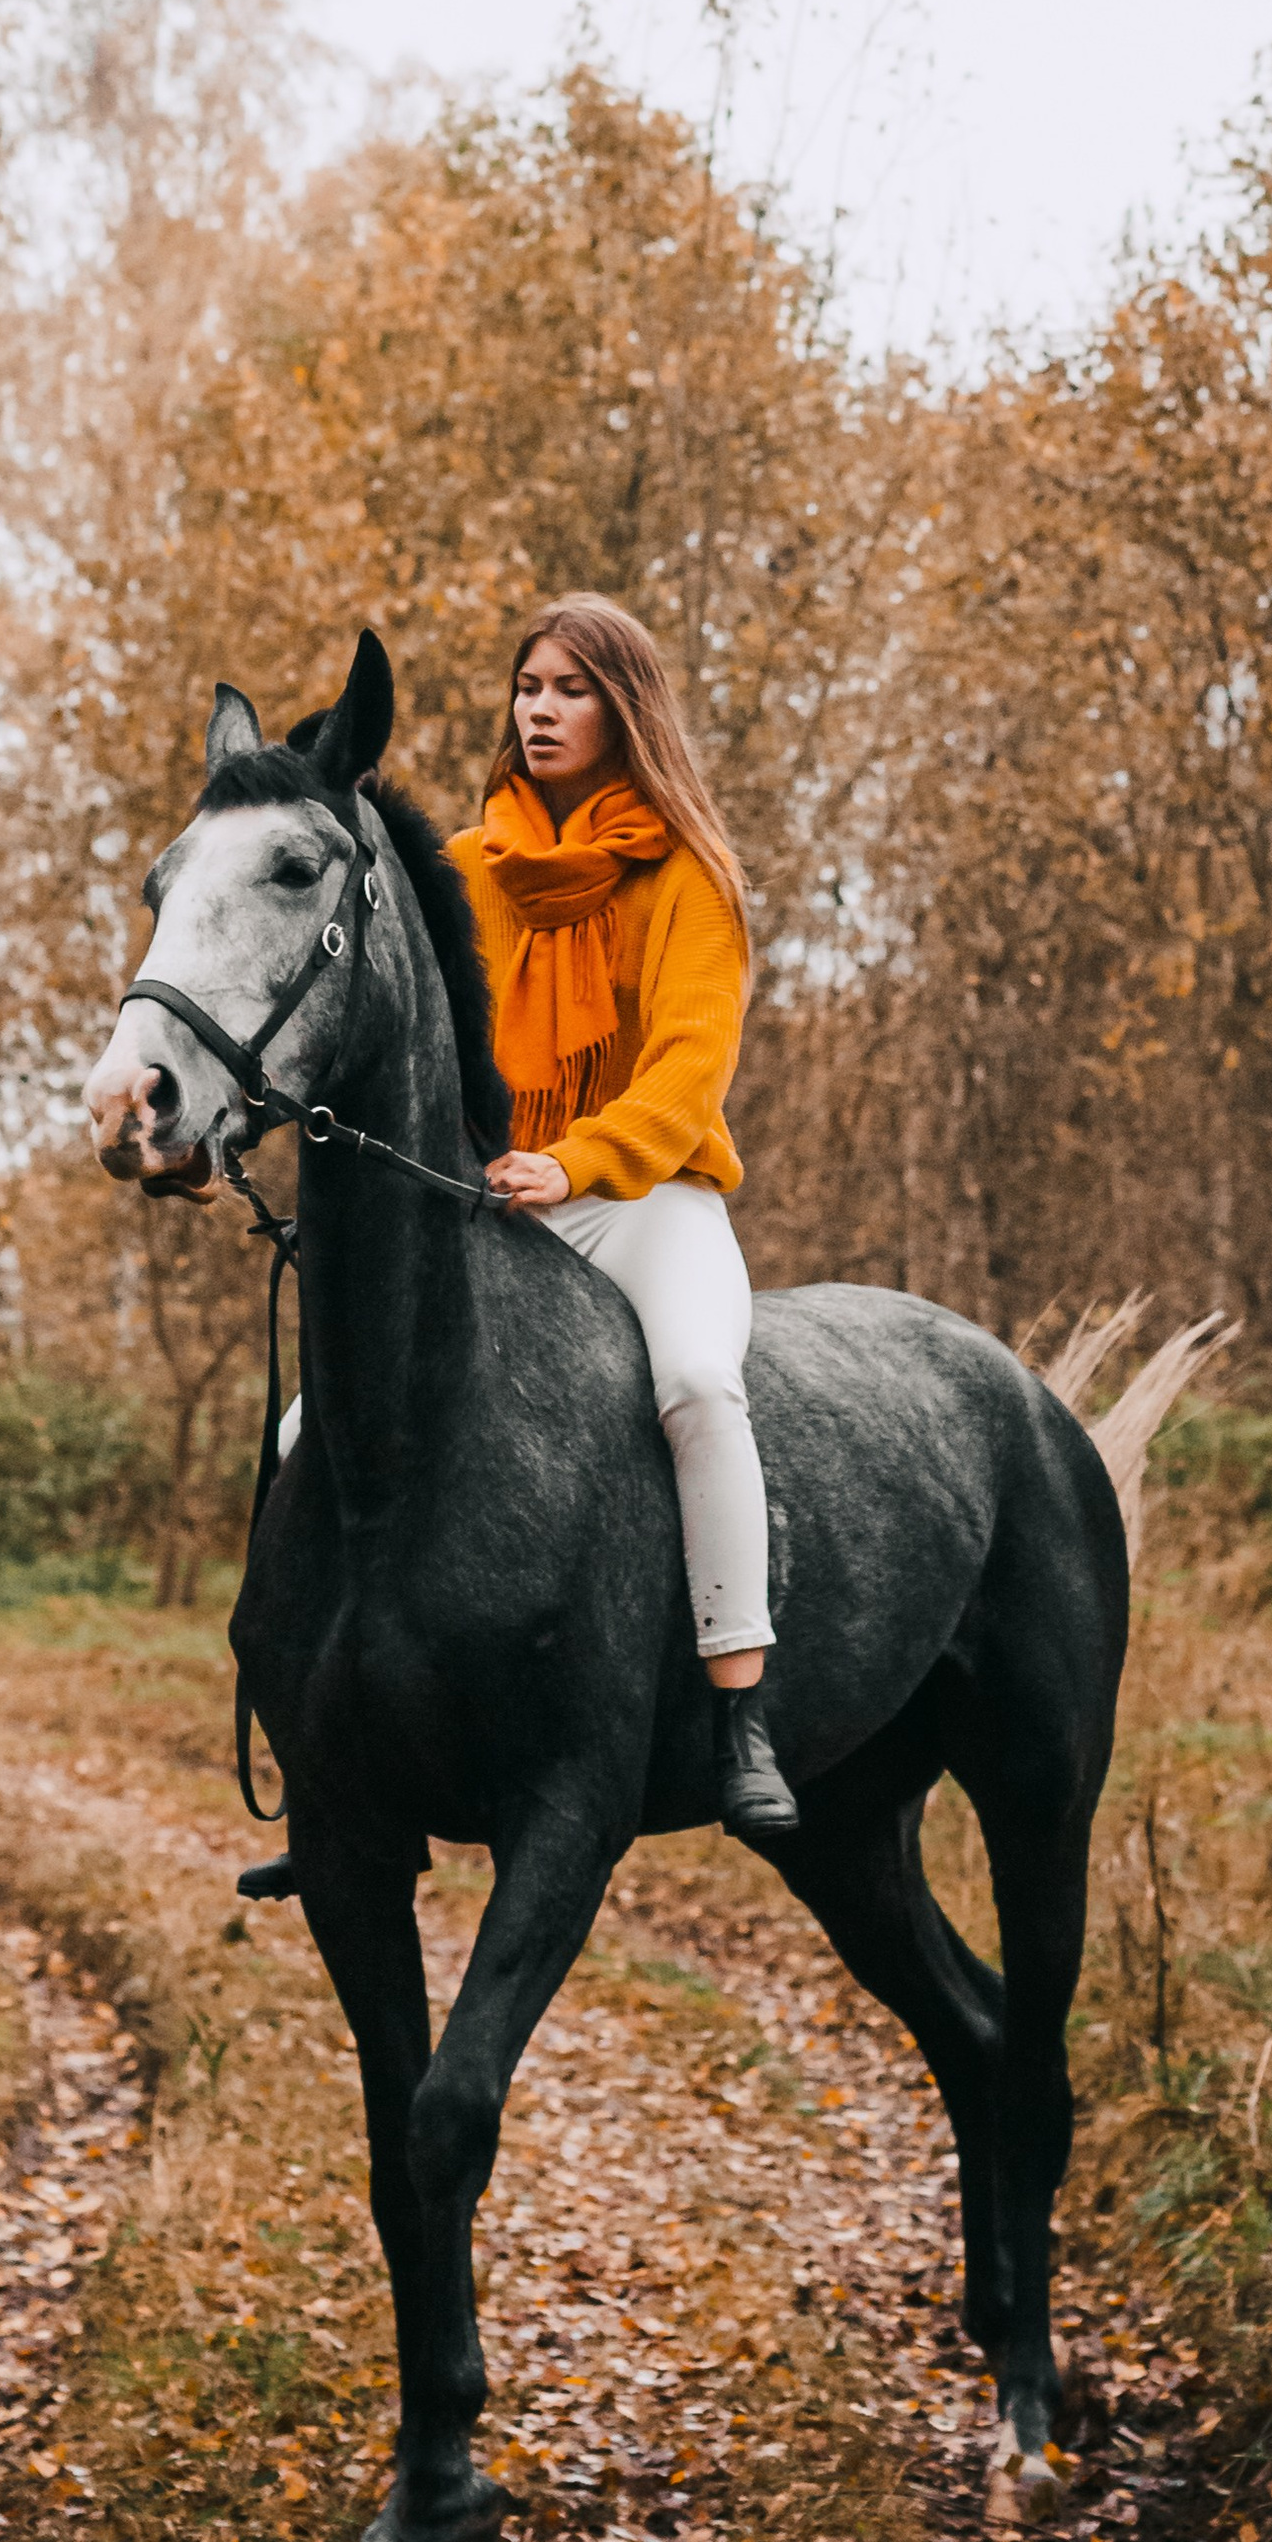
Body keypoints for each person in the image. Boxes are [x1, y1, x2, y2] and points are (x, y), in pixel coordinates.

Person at [449, 595, 797, 1836]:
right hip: (494, 1203)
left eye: (570, 689)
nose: (538, 710)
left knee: (701, 1383)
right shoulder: (459, 871)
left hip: (647, 1197)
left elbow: (689, 1070)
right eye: (528, 687)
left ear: (623, 707)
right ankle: (326, 1750)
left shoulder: (688, 876)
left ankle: (737, 1711)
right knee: (306, 1425)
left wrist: (577, 1159)